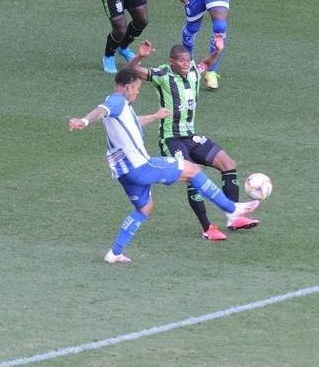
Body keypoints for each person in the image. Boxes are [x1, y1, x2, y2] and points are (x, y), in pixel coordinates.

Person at [68, 67, 259, 264]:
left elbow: (133, 123)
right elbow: (100, 111)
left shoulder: (121, 106)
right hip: (141, 167)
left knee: (144, 209)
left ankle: (115, 252)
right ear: (128, 87)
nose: (138, 92)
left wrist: (155, 116)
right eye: (137, 88)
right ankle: (231, 209)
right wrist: (83, 121)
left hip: (124, 173)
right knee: (192, 170)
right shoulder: (116, 101)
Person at [125, 35, 260, 241]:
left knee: (228, 164)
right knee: (192, 176)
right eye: (181, 61)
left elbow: (205, 64)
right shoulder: (162, 74)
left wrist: (217, 51)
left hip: (190, 136)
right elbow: (129, 71)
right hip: (172, 139)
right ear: (172, 62)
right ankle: (207, 228)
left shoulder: (195, 71)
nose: (186, 64)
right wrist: (139, 57)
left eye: (188, 60)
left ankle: (233, 215)